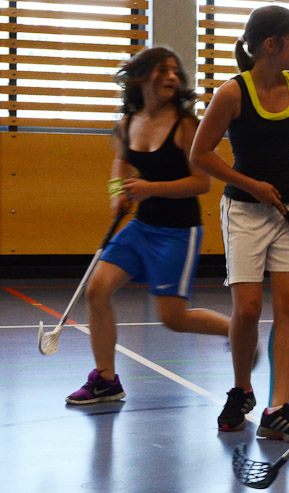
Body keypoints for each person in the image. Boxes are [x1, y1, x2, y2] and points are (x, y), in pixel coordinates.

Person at [66, 47, 230, 405]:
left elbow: (202, 183)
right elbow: (121, 162)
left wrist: (149, 188)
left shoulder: (186, 126)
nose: (171, 77)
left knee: (173, 318)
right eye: (162, 70)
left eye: (174, 71)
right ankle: (106, 381)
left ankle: (237, 331)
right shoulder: (129, 123)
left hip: (178, 232)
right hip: (141, 227)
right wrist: (117, 194)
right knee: (97, 290)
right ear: (141, 78)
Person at [190, 5, 289, 439]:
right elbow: (200, 154)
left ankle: (277, 408)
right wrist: (254, 186)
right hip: (245, 212)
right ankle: (241, 388)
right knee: (247, 310)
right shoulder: (232, 93)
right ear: (272, 45)